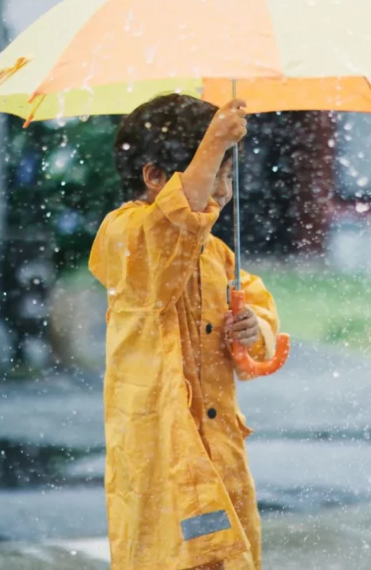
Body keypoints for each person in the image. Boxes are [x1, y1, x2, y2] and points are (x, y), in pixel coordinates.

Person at [89, 94, 280, 570]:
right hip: (160, 449)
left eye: (227, 173)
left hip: (216, 446)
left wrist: (253, 328)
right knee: (170, 553)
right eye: (215, 170)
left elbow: (258, 311)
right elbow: (171, 229)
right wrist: (215, 138)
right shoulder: (125, 233)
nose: (224, 190)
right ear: (153, 177)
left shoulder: (215, 253)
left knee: (225, 552)